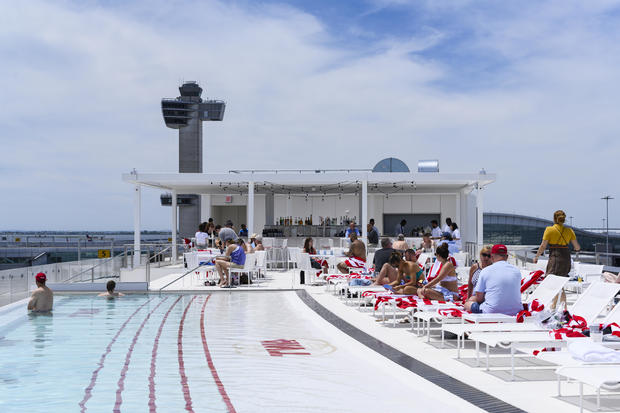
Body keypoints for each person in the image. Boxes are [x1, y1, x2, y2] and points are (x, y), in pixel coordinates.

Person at [533, 210, 581, 308]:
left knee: (554, 282)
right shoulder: (569, 231)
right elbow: (577, 247)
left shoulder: (549, 230)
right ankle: (555, 305)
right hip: (566, 258)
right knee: (559, 282)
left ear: (554, 219)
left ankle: (564, 307)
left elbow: (543, 246)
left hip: (556, 257)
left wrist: (537, 256)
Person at [465, 244, 522, 315]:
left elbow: (479, 299)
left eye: (488, 256)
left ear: (492, 257)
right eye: (484, 255)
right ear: (507, 257)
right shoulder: (517, 271)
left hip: (491, 311)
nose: (486, 258)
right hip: (516, 311)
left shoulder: (486, 271)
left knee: (468, 303)